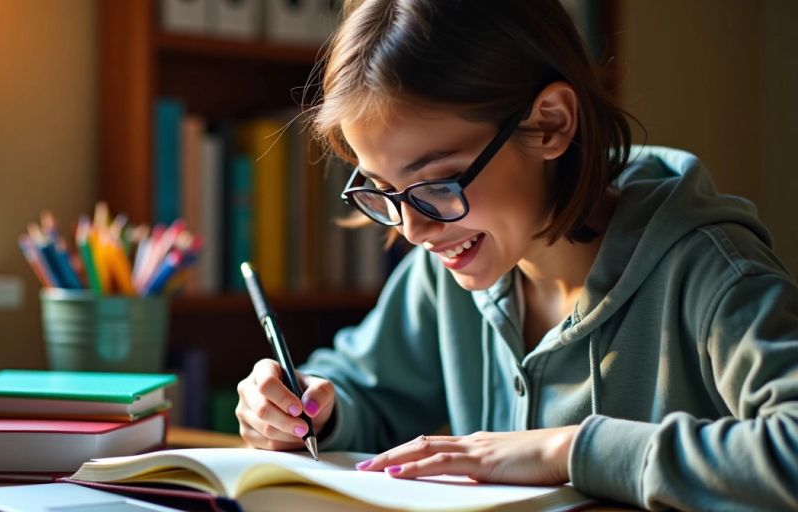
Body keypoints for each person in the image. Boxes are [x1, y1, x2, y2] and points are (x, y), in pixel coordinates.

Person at [234, 0, 798, 510]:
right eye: (382, 190)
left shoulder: (709, 270)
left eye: (439, 181)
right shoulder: (445, 270)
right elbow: (365, 388)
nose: (414, 229)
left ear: (549, 124)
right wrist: (310, 409)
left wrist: (569, 449)